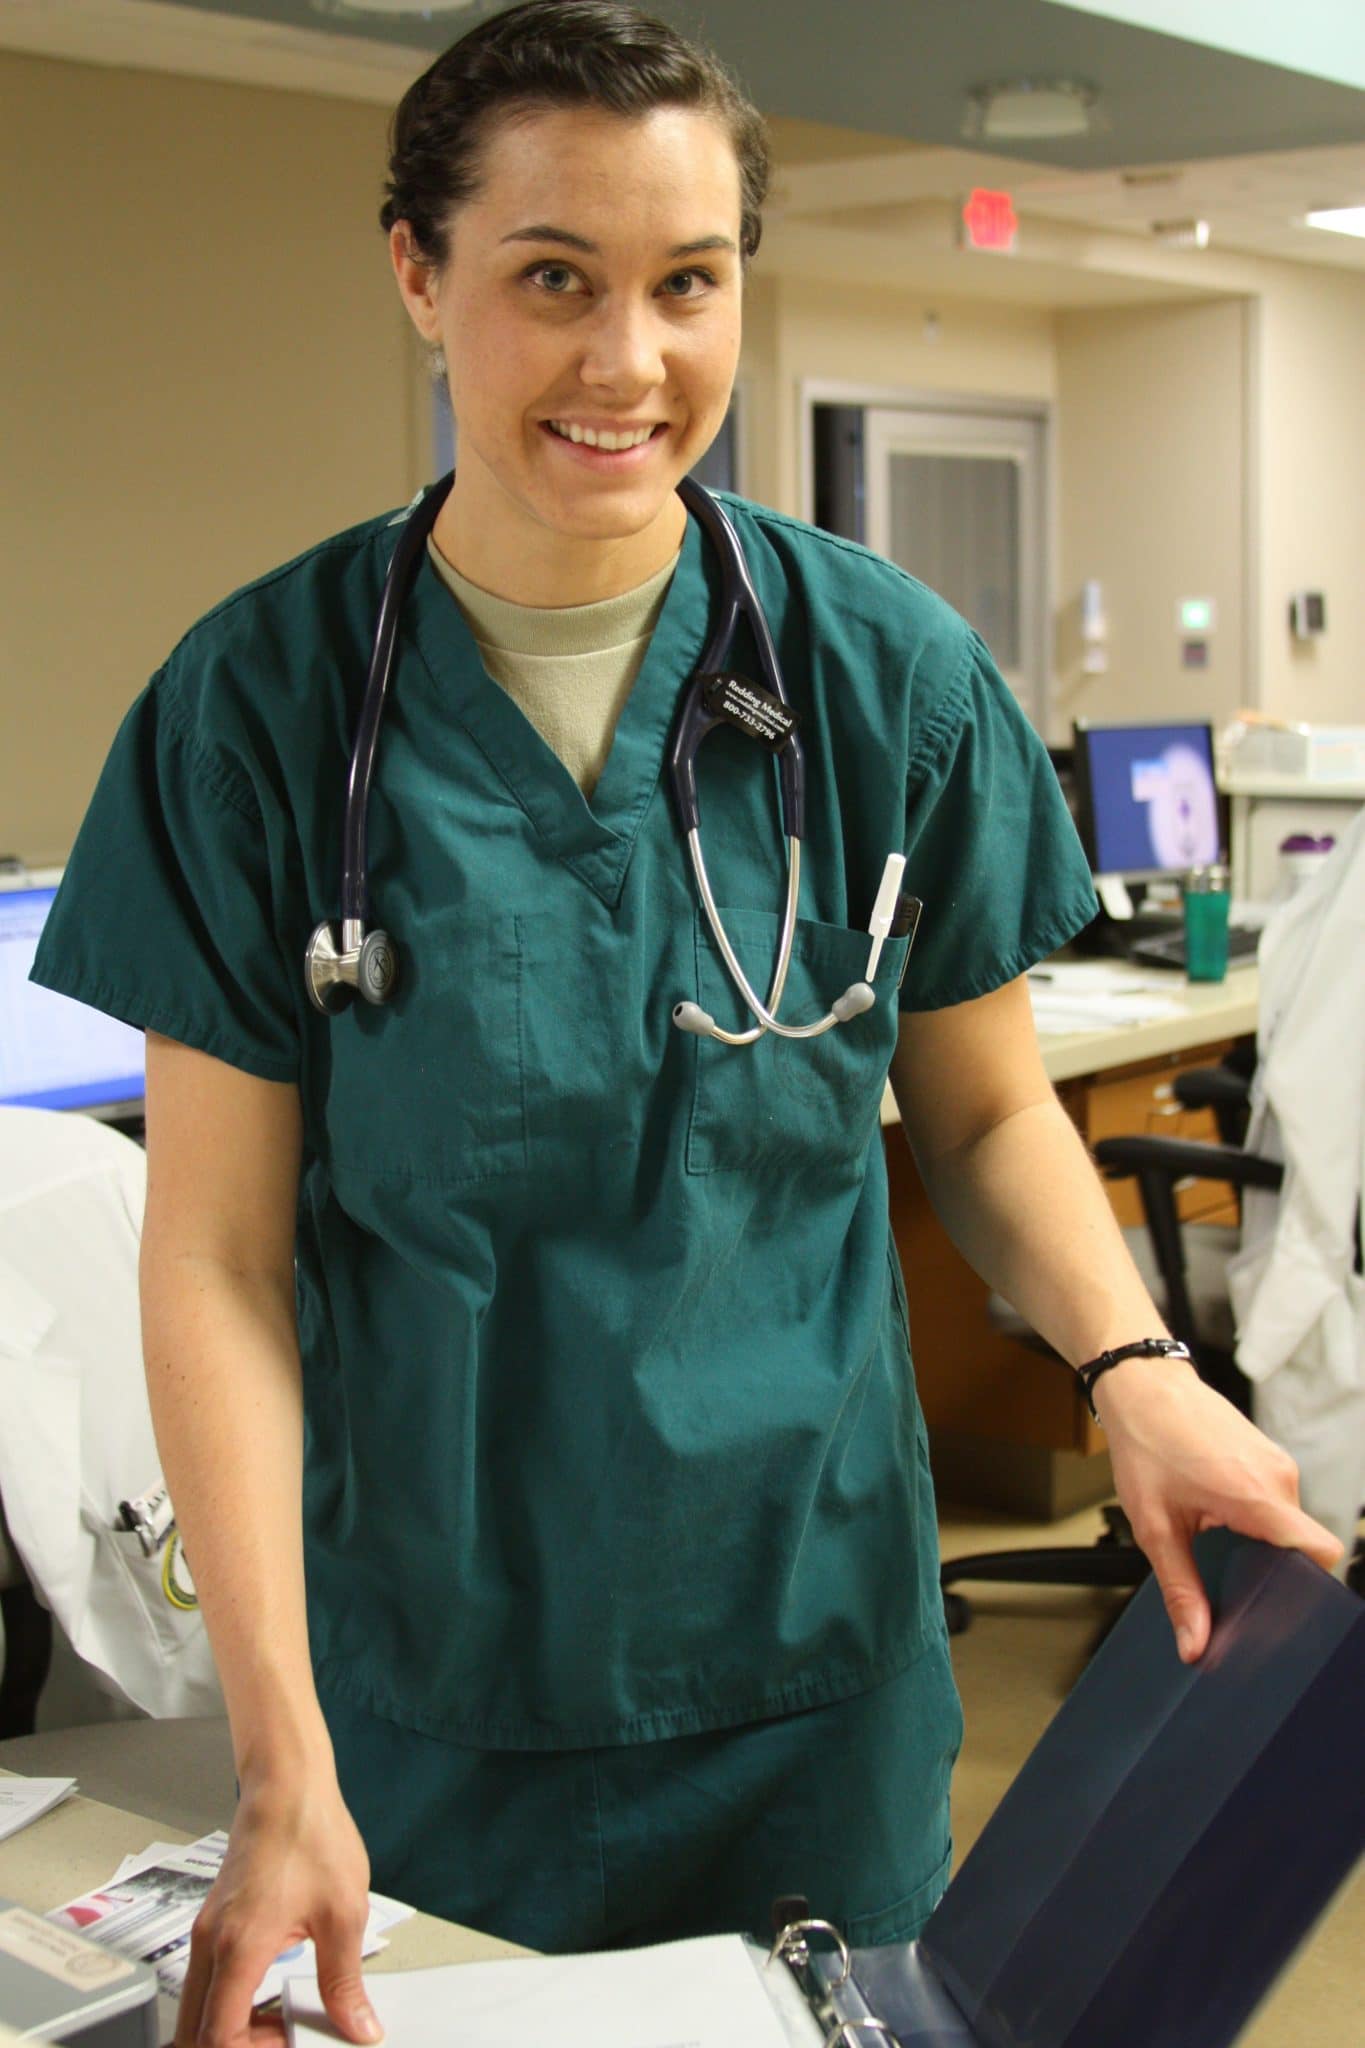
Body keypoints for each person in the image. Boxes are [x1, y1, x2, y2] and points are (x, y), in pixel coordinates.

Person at [30, 4, 1340, 2044]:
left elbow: (985, 1120)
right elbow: (205, 1256)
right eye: (551, 278)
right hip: (427, 1692)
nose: (626, 361)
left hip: (806, 1669)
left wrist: (1131, 1365)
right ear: (416, 273)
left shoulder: (875, 672)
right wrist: (278, 1740)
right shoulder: (258, 710)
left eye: (687, 283)